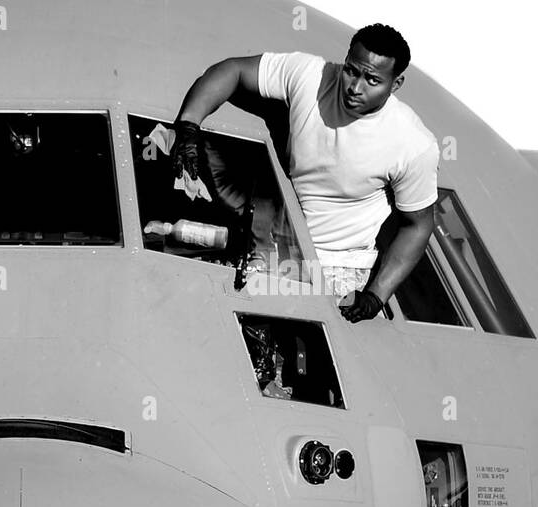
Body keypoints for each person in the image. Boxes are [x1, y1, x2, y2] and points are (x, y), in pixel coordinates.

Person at [172, 23, 440, 322]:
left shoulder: (413, 144)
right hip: (277, 245)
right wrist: (188, 126)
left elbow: (417, 226)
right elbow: (233, 70)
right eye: (352, 70)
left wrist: (376, 295)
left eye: (372, 79)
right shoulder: (310, 74)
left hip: (339, 268)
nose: (355, 87)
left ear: (396, 84)